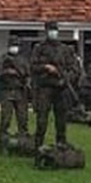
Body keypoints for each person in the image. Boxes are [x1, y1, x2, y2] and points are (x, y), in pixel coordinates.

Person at [30, 20, 73, 149]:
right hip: (45, 87)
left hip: (60, 87)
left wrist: (66, 78)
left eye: (55, 30)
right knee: (42, 119)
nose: (53, 32)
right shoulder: (39, 49)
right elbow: (32, 66)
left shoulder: (64, 49)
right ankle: (38, 145)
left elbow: (74, 69)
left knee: (61, 119)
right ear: (46, 31)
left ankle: (61, 143)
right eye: (50, 30)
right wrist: (46, 67)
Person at [0, 38, 31, 142]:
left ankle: (23, 140)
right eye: (13, 45)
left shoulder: (23, 60)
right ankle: (2, 139)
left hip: (20, 91)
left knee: (22, 118)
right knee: (6, 118)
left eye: (16, 45)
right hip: (7, 91)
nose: (15, 47)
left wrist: (26, 83)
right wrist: (7, 72)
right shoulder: (3, 59)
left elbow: (27, 74)